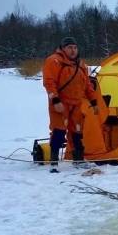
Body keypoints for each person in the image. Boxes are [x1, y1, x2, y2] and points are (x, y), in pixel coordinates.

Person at [42, 37, 99, 172]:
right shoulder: (53, 61)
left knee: (77, 132)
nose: (73, 51)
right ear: (63, 49)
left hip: (76, 105)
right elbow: (49, 82)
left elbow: (87, 86)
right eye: (69, 48)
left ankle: (78, 159)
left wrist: (94, 101)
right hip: (60, 104)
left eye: (75, 47)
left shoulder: (81, 65)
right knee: (58, 131)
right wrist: (55, 100)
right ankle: (54, 162)